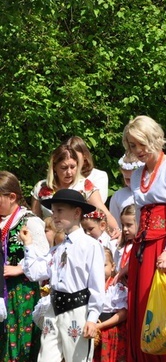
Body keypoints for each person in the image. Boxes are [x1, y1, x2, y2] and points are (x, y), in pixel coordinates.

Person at [122, 115, 166, 362]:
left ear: (153, 139)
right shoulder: (138, 174)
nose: (137, 150)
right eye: (131, 145)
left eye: (141, 144)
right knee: (144, 312)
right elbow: (140, 215)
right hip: (143, 250)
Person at [21, 188, 105, 362]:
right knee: (45, 359)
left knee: (78, 359)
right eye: (53, 211)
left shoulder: (90, 246)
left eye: (60, 210)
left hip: (78, 311)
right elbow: (35, 272)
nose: (54, 216)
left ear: (76, 213)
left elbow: (97, 286)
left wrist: (92, 318)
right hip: (54, 310)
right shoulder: (57, 249)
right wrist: (28, 245)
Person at [0, 171, 48, 361]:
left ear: (12, 197)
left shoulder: (30, 221)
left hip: (21, 292)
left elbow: (45, 256)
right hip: (1, 290)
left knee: (19, 340)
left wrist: (19, 268)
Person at [31, 143, 120, 237]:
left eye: (72, 167)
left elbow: (104, 213)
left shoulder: (85, 186)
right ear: (54, 167)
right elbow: (35, 220)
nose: (69, 172)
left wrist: (116, 230)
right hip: (48, 240)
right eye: (64, 168)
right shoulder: (41, 187)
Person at [95, 247, 128, 362]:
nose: (99, 269)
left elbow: (123, 313)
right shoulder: (91, 287)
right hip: (95, 330)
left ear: (112, 266)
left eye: (104, 265)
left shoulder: (116, 288)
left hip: (111, 331)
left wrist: (101, 326)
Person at [65, 135, 110, 199]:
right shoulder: (64, 175)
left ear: (84, 156)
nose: (72, 160)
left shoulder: (99, 176)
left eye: (75, 156)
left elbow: (99, 202)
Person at [109, 154, 143, 230]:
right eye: (127, 179)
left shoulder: (151, 193)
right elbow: (115, 222)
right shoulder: (118, 196)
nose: (132, 183)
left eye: (135, 178)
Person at [115, 205, 137, 274]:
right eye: (123, 225)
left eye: (128, 225)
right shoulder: (120, 246)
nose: (124, 229)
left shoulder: (142, 247)